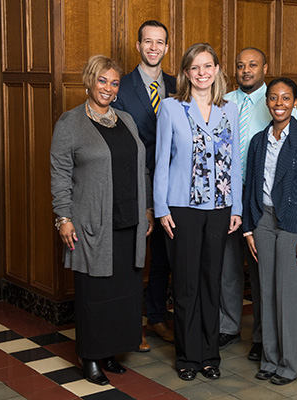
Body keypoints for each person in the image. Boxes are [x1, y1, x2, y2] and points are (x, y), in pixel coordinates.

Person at [50, 55, 154, 385]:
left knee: (124, 292)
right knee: (95, 295)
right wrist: (63, 218)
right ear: (89, 82)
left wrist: (148, 208)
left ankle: (111, 351)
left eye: (114, 82)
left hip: (130, 223)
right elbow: (60, 173)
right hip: (93, 226)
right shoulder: (70, 123)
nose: (108, 88)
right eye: (102, 81)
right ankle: (91, 356)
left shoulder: (125, 118)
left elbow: (142, 168)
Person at [153, 43, 242, 381]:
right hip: (181, 208)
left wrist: (235, 205)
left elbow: (233, 161)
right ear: (186, 73)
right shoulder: (172, 108)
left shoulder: (229, 110)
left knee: (211, 282)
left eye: (208, 66)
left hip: (219, 208)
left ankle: (209, 355)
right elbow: (161, 161)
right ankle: (188, 357)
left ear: (217, 70)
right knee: (187, 285)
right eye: (195, 68)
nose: (202, 73)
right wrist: (161, 208)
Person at [219, 48, 297, 361]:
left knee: (261, 270)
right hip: (227, 195)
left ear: (264, 67)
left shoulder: (278, 100)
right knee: (228, 266)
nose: (245, 70)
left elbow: (292, 156)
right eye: (240, 66)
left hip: (261, 198)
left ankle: (262, 336)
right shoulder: (223, 100)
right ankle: (228, 326)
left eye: (252, 65)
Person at [243, 77, 297, 385]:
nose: (279, 103)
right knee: (266, 292)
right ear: (267, 102)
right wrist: (249, 227)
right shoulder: (259, 141)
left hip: (291, 224)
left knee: (287, 294)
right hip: (263, 221)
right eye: (273, 98)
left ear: (295, 102)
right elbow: (251, 186)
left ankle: (289, 365)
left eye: (285, 98)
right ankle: (270, 359)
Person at [113, 20, 176, 349]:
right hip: (134, 183)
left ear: (167, 47)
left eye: (160, 42)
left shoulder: (178, 85)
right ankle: (127, 324)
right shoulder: (120, 87)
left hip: (170, 185)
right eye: (148, 42)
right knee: (132, 256)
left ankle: (155, 317)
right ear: (138, 46)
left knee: (164, 257)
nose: (154, 47)